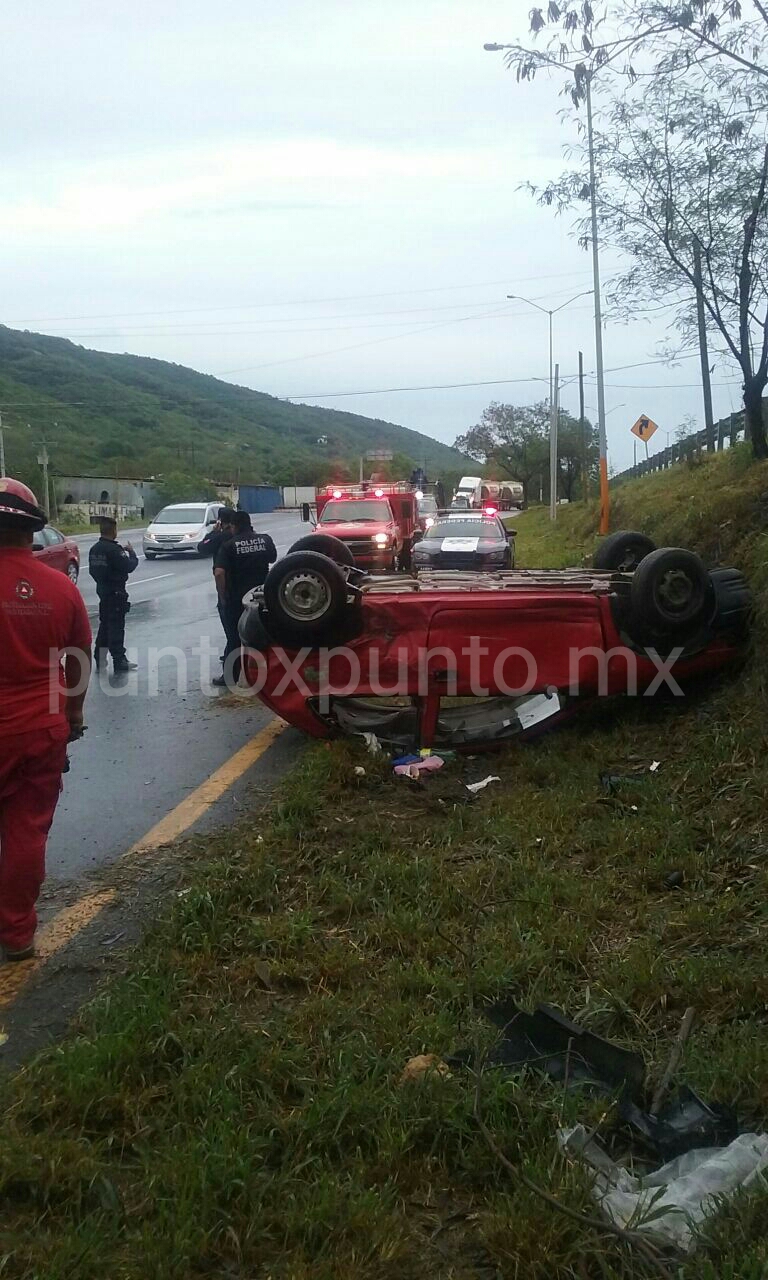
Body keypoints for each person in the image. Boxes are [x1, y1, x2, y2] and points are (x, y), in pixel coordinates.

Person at [0, 477, 92, 961]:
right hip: (40, 727)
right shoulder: (60, 588)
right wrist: (73, 716)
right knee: (26, 830)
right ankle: (16, 933)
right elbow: (78, 660)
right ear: (32, 531)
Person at [213, 511, 277, 687]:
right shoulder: (265, 539)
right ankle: (271, 675)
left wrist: (223, 596)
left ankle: (230, 677)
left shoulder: (228, 545)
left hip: (237, 599)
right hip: (261, 597)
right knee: (265, 638)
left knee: (234, 638)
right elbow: (273, 558)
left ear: (233, 526)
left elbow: (219, 573)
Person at [88, 517, 139, 672]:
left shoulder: (95, 549)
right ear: (114, 531)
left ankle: (100, 657)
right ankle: (119, 660)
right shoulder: (114, 550)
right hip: (116, 592)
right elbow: (129, 566)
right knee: (116, 627)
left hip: (103, 592)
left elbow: (93, 571)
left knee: (104, 627)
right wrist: (132, 552)